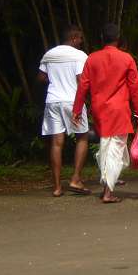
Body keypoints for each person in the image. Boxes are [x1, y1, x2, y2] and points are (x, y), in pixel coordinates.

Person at [73, 23, 138, 203]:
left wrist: (76, 109)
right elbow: (135, 88)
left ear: (101, 38)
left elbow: (83, 86)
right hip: (119, 109)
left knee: (107, 146)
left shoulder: (92, 58)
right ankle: (107, 191)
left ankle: (108, 182)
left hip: (99, 109)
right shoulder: (126, 59)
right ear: (118, 38)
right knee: (115, 149)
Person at [38, 25, 91, 197]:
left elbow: (41, 77)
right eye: (80, 39)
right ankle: (75, 178)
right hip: (72, 100)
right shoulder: (79, 56)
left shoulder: (49, 54)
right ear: (74, 38)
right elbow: (80, 80)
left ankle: (57, 187)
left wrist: (56, 80)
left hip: (52, 100)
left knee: (56, 142)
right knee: (82, 136)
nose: (81, 42)